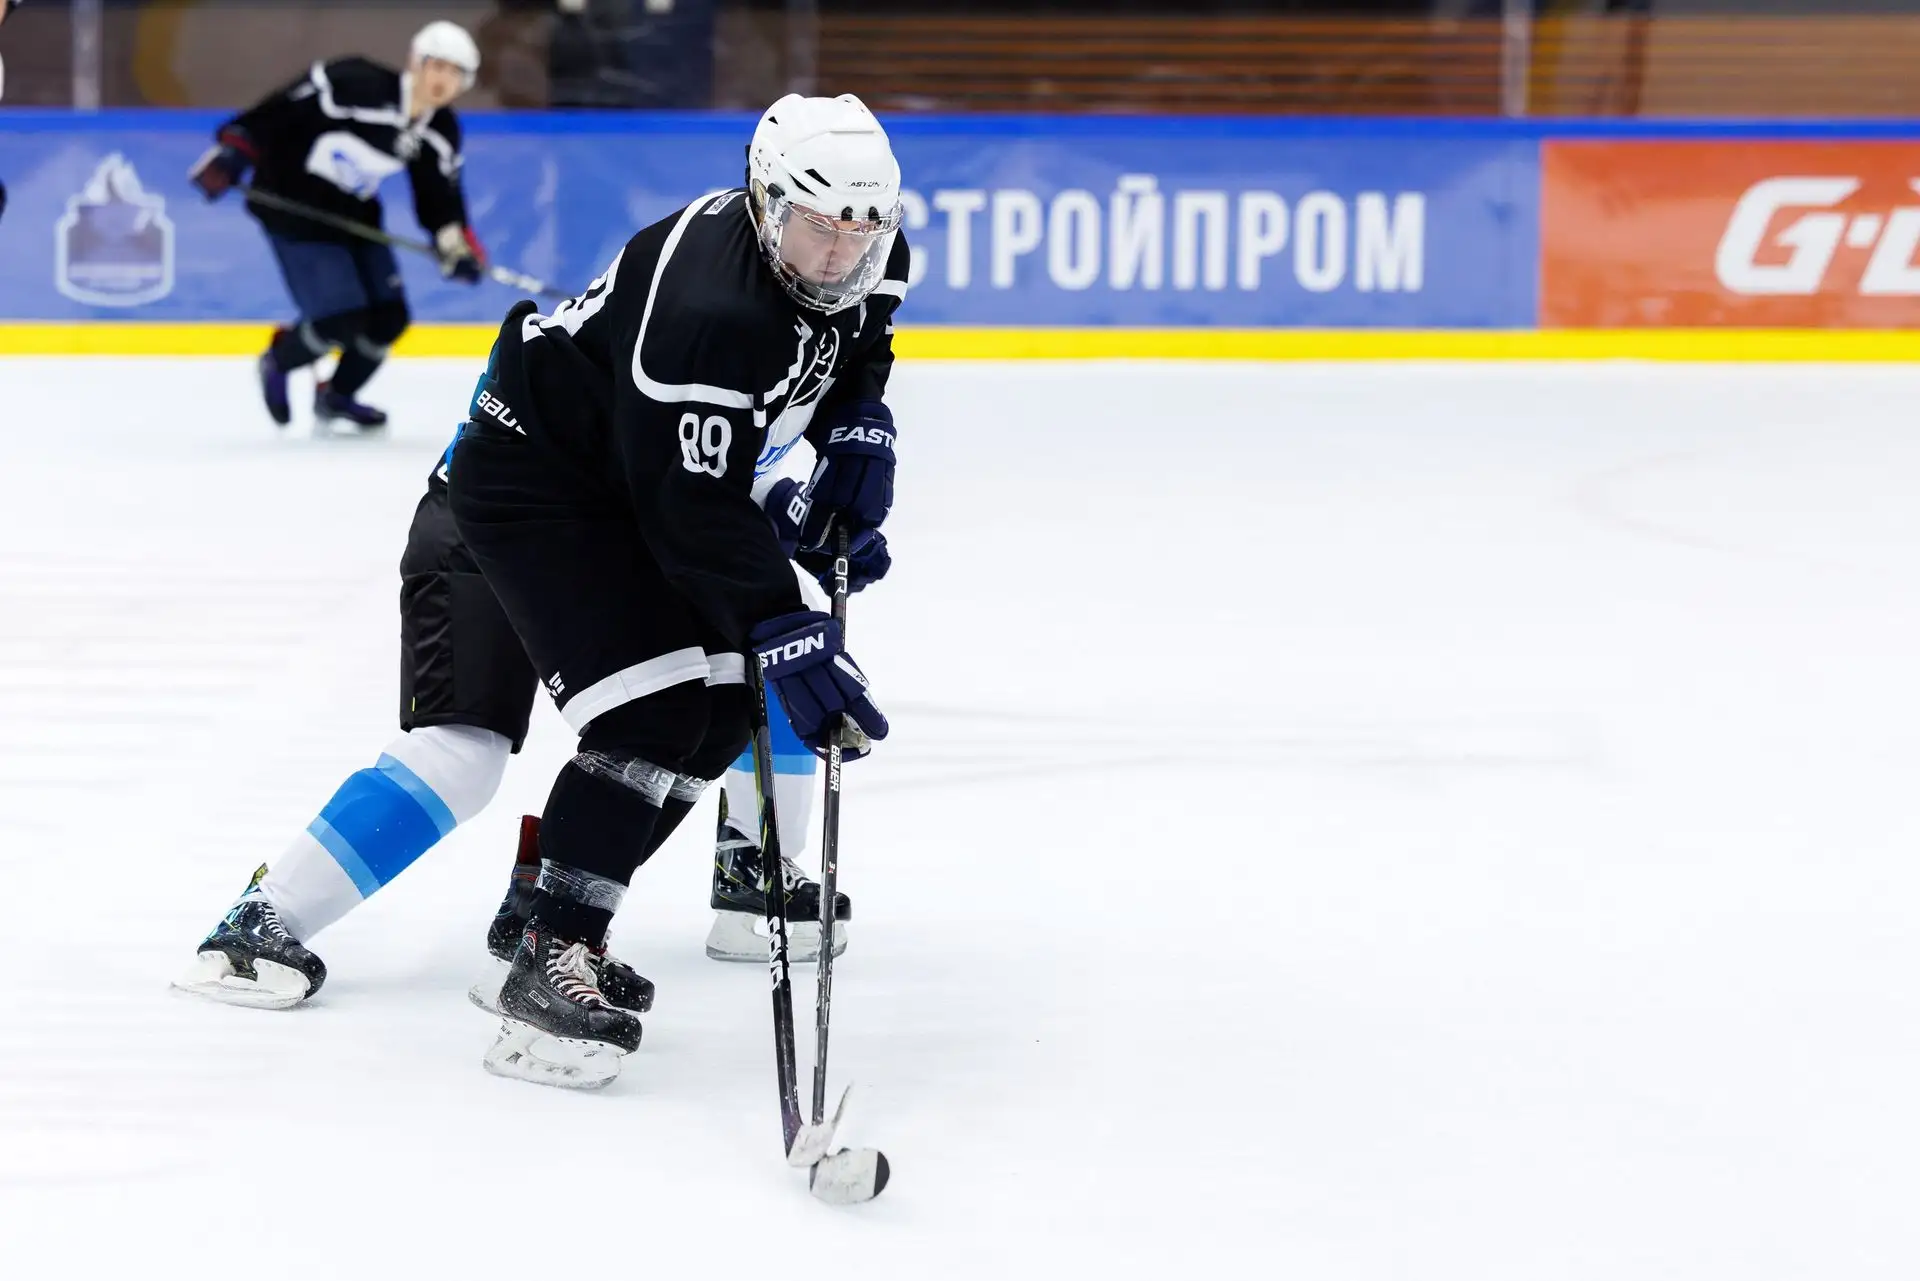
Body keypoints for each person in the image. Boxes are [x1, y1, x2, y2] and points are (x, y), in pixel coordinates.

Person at [447, 91, 906, 1087]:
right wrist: (783, 621)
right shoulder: (708, 308)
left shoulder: (864, 247)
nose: (840, 255)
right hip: (544, 479)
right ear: (764, 200)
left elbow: (859, 339)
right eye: (818, 228)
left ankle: (543, 916)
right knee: (650, 712)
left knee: (721, 712)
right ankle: (549, 959)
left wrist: (860, 427)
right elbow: (688, 505)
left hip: (633, 481)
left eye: (861, 232)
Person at [171, 418, 885, 1011]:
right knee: (462, 754)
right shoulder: (696, 314)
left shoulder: (807, 326)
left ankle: (686, 881)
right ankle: (263, 919)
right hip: (498, 516)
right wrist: (783, 511)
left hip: (607, 537)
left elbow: (714, 457)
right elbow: (670, 448)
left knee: (746, 670)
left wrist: (798, 507)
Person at [187, 21, 488, 432]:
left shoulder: (440, 130)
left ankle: (337, 397)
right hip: (294, 206)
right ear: (415, 62)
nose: (443, 80)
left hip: (355, 214)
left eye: (455, 73)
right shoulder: (355, 83)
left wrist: (454, 247)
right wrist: (235, 151)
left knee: (389, 318)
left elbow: (439, 196)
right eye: (437, 66)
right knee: (339, 320)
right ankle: (278, 360)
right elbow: (280, 110)